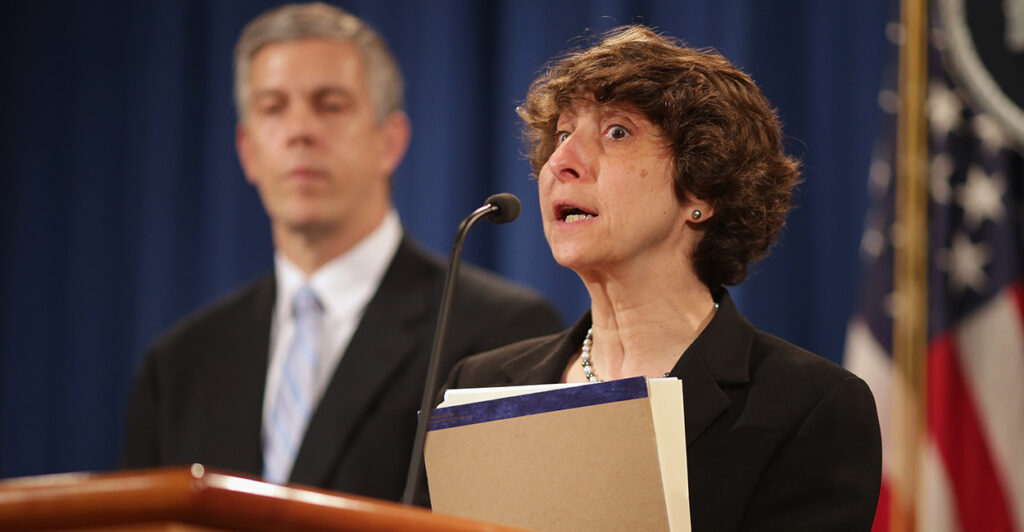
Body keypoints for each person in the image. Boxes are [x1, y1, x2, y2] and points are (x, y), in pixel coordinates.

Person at [438, 26, 882, 530]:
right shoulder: (479, 385)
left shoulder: (809, 408)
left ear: (701, 190)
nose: (560, 163)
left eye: (617, 133)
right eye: (562, 135)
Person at [121, 2, 563, 502]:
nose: (300, 132)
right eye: (273, 108)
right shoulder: (179, 364)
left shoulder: (500, 334)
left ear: (390, 141)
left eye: (330, 105)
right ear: (247, 150)